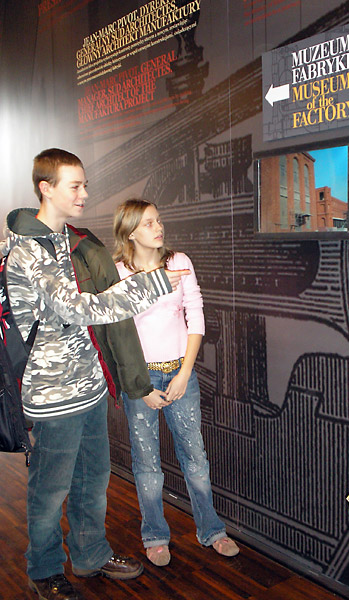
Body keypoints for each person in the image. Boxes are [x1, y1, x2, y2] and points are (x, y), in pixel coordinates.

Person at [1, 149, 188, 600]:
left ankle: (89, 555)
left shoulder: (67, 240)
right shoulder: (28, 251)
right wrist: (154, 282)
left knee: (93, 481)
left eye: (85, 184)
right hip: (52, 395)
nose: (85, 193)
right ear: (46, 188)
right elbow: (79, 307)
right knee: (50, 491)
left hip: (87, 388)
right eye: (75, 186)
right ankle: (43, 571)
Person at [113, 199, 239, 567]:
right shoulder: (120, 273)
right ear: (132, 231)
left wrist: (185, 372)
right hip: (142, 380)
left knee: (195, 455)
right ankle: (154, 536)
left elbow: (195, 314)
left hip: (180, 374)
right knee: (147, 460)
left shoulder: (179, 263)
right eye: (149, 222)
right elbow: (119, 333)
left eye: (159, 219)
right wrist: (140, 386)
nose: (158, 227)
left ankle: (212, 530)